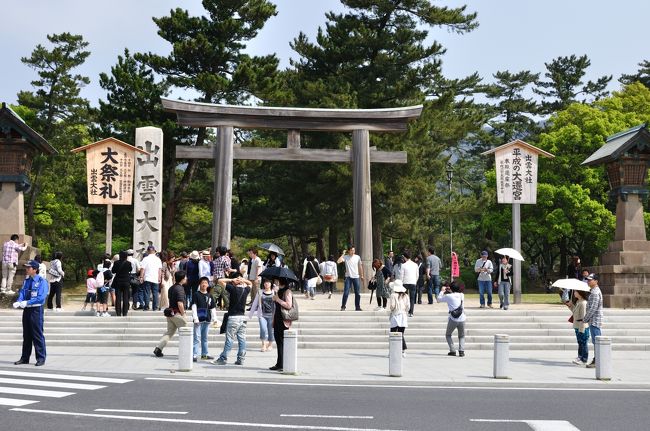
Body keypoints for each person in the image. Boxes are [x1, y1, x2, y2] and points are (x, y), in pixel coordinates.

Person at [13, 260, 49, 366]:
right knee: (27, 335)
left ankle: (41, 358)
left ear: (35, 269)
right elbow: (23, 292)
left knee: (37, 335)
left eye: (29, 268)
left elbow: (41, 298)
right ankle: (25, 358)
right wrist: (19, 301)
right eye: (26, 267)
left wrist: (27, 302)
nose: (26, 269)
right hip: (27, 310)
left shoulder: (42, 281)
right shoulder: (27, 281)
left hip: (36, 310)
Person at [213, 275, 252, 365]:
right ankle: (241, 359)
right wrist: (243, 280)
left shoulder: (232, 289)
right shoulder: (245, 290)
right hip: (242, 318)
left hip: (233, 317)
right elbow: (250, 283)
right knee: (242, 339)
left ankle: (223, 358)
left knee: (230, 339)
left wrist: (232, 279)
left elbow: (220, 281)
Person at [153, 270, 188, 358]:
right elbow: (180, 303)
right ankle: (186, 352)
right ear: (182, 279)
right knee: (185, 333)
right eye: (185, 277)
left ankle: (158, 348)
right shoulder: (180, 289)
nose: (186, 279)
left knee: (169, 333)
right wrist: (183, 314)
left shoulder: (172, 288)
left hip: (170, 314)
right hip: (177, 314)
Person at [270, 277, 293, 371]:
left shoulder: (287, 291)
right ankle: (279, 363)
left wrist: (278, 299)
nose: (276, 282)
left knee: (282, 343)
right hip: (277, 319)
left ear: (281, 281)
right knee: (278, 343)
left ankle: (283, 364)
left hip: (283, 321)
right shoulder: (279, 291)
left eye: (277, 281)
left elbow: (289, 305)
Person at [191, 276, 217, 362]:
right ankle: (194, 354)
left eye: (206, 283)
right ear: (200, 284)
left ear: (208, 284)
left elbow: (212, 308)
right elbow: (194, 306)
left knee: (205, 338)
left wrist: (215, 318)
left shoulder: (210, 295)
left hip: (207, 319)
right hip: (198, 319)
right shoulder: (196, 294)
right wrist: (195, 318)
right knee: (197, 338)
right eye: (202, 283)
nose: (204, 284)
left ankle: (204, 354)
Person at [438, 281, 466, 357]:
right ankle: (461, 351)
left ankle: (452, 350)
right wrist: (451, 289)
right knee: (462, 336)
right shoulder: (462, 295)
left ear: (451, 288)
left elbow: (438, 299)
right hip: (462, 318)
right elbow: (456, 292)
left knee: (448, 335)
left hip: (453, 319)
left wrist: (442, 291)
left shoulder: (448, 296)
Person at [248, 278, 275, 352]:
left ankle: (270, 344)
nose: (266, 284)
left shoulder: (274, 292)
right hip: (262, 314)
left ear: (271, 284)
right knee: (263, 329)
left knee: (270, 330)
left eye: (268, 282)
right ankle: (263, 344)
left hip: (271, 315)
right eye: (265, 282)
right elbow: (255, 303)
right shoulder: (260, 292)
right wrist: (250, 314)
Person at [583, 273, 603, 369]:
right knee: (596, 341)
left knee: (597, 342)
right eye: (587, 280)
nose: (588, 281)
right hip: (593, 320)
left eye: (590, 280)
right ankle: (598, 360)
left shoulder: (595, 293)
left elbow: (593, 308)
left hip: (595, 321)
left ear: (596, 281)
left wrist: (585, 319)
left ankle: (598, 360)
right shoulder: (593, 291)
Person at [565, 289, 590, 366]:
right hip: (577, 325)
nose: (574, 293)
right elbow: (575, 312)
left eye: (576, 292)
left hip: (582, 326)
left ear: (580, 293)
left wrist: (581, 329)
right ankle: (580, 357)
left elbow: (584, 317)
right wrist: (570, 305)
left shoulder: (583, 303)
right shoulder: (579, 302)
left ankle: (584, 359)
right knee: (580, 342)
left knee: (583, 342)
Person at [337, 246, 365, 311]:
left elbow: (360, 266)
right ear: (349, 251)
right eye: (352, 250)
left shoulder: (357, 257)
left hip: (356, 277)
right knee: (346, 292)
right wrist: (343, 254)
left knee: (357, 293)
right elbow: (338, 261)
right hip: (348, 277)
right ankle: (343, 306)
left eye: (354, 250)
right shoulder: (346, 257)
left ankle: (357, 307)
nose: (353, 252)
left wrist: (362, 275)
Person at [388, 279, 409, 357]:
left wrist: (392, 309)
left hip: (395, 316)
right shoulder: (406, 295)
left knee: (393, 334)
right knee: (401, 334)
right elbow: (408, 307)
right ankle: (403, 351)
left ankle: (392, 351)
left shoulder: (393, 295)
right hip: (403, 316)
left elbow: (392, 306)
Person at [139, 245, 162, 311]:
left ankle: (146, 306)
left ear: (148, 251)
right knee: (155, 293)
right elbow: (159, 269)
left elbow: (142, 269)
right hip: (155, 278)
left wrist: (141, 277)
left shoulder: (145, 259)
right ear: (154, 251)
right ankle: (155, 307)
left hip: (147, 278)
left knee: (147, 292)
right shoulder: (158, 259)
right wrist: (159, 277)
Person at [111, 251, 133, 316]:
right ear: (126, 256)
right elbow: (130, 270)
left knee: (118, 297)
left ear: (120, 256)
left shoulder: (116, 262)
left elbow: (113, 271)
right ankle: (125, 312)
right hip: (126, 281)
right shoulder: (128, 263)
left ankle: (118, 312)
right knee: (126, 297)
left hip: (118, 282)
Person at [400, 251, 418, 317]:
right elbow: (417, 275)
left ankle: (404, 311)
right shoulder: (415, 265)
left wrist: (401, 283)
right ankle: (411, 312)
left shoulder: (403, 265)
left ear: (404, 257)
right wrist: (415, 281)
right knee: (412, 298)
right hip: (413, 282)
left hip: (405, 283)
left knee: (404, 298)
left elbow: (401, 275)